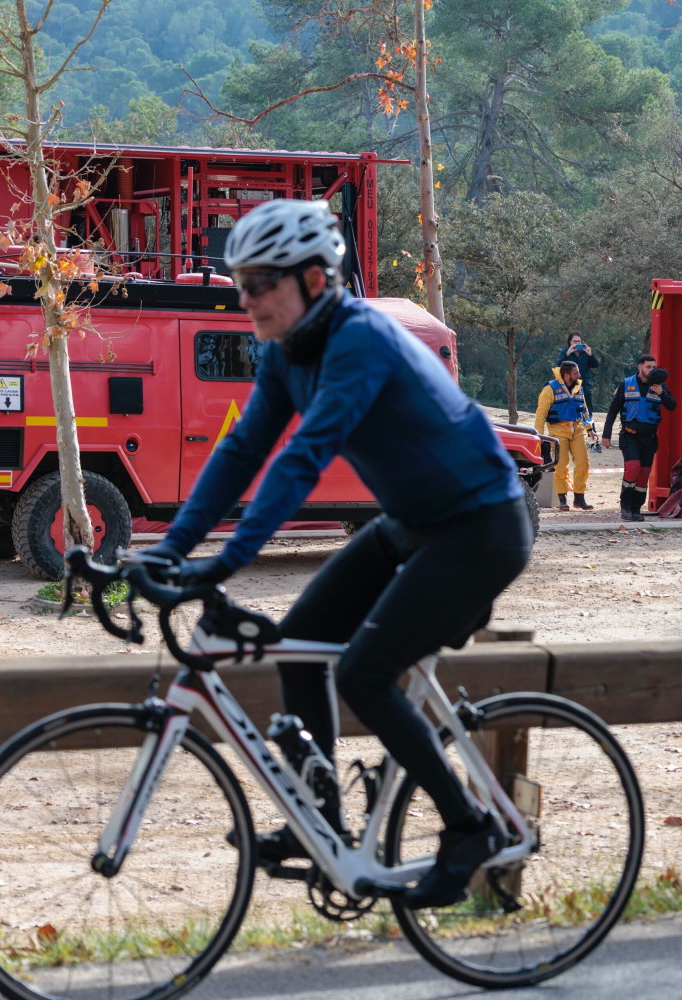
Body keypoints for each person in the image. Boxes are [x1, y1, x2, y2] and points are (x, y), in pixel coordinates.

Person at [143, 199, 531, 910]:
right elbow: (241, 453)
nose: (246, 297)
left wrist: (224, 564)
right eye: (240, 282)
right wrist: (169, 549)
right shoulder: (286, 353)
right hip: (412, 523)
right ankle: (319, 823)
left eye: (261, 282)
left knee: (363, 672)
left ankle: (468, 829)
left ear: (316, 281)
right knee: (298, 646)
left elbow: (300, 459)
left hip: (480, 528)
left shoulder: (361, 340)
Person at [602, 354, 677, 521]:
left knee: (644, 474)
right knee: (633, 468)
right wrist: (606, 434)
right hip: (630, 435)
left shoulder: (659, 386)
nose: (651, 370)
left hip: (649, 437)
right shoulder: (626, 384)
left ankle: (636, 508)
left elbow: (672, 405)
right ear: (640, 367)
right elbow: (613, 409)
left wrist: (662, 393)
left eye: (653, 367)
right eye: (648, 367)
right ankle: (626, 506)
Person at [534, 360, 595, 510]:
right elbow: (541, 414)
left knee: (583, 463)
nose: (579, 375)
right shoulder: (550, 389)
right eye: (576, 373)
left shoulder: (578, 388)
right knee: (561, 466)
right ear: (567, 375)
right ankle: (562, 499)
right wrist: (538, 436)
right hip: (558, 432)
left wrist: (590, 429)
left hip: (578, 431)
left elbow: (584, 409)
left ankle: (579, 498)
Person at [558, 333, 601, 449]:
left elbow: (596, 365)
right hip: (568, 389)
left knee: (588, 412)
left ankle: (594, 441)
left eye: (579, 341)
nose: (577, 344)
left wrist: (590, 355)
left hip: (585, 387)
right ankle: (568, 440)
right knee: (568, 411)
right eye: (574, 342)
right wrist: (568, 353)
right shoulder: (565, 352)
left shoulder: (585, 353)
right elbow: (558, 365)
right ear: (569, 342)